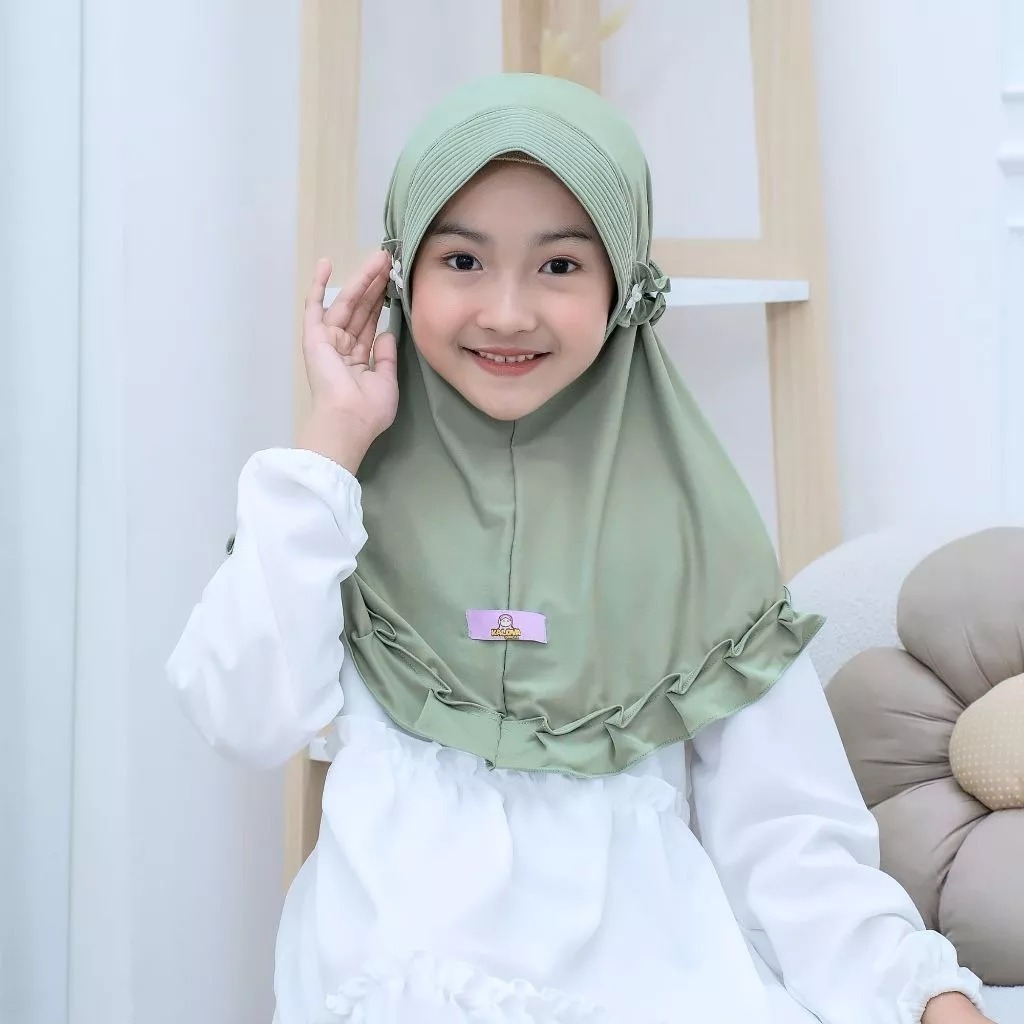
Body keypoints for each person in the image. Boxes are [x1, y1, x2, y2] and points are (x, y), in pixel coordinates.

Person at [166, 73, 990, 1024]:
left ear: (624, 288)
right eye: (461, 260)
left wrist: (923, 995)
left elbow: (789, 842)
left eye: (559, 265)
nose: (507, 312)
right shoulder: (331, 509)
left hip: (651, 991)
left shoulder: (696, 531)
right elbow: (243, 716)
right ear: (398, 275)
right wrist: (333, 439)